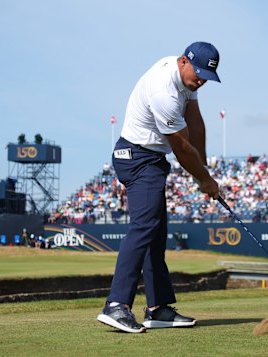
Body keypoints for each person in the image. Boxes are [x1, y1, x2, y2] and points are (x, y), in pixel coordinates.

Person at [96, 42, 221, 333]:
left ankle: (158, 308)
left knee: (156, 233)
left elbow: (195, 123)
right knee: (144, 227)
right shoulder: (163, 91)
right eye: (199, 73)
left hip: (150, 157)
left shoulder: (186, 78)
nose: (201, 79)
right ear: (183, 61)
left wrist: (204, 167)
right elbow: (180, 146)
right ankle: (116, 305)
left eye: (206, 76)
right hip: (137, 157)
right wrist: (204, 179)